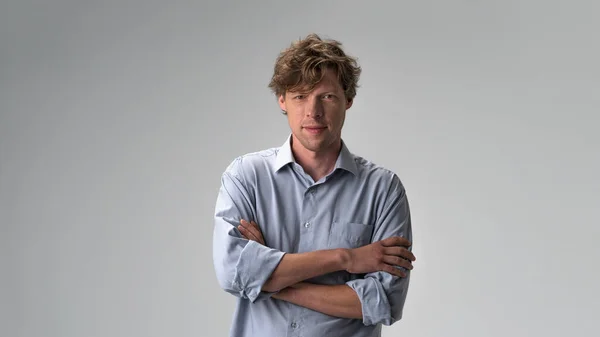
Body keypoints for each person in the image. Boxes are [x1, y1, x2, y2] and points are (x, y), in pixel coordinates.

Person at [212, 33, 416, 337]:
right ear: (282, 100)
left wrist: (271, 281)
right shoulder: (246, 177)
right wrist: (346, 257)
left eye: (327, 96)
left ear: (348, 100)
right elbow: (234, 273)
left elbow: (383, 301)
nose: (313, 112)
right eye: (300, 96)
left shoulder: (383, 190)